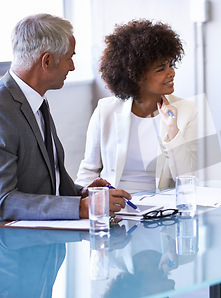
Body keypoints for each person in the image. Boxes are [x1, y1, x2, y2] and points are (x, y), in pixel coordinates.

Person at [0, 13, 130, 221]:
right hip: (16, 248)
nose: (72, 66)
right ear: (47, 60)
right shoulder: (3, 108)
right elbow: (4, 201)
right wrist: (79, 208)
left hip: (48, 244)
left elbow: (43, 185)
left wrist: (82, 194)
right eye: (70, 57)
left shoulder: (37, 101)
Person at [75, 20, 197, 193]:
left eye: (170, 64)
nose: (171, 72)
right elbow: (89, 171)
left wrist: (172, 130)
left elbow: (188, 178)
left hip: (162, 212)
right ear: (136, 75)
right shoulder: (106, 110)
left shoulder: (186, 110)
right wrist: (85, 201)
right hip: (115, 208)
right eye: (160, 69)